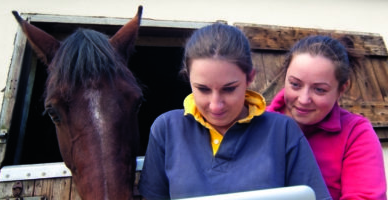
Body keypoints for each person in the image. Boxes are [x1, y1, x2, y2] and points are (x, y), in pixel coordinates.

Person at [138, 23, 332, 200]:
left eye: (229, 89)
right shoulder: (167, 129)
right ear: (188, 79)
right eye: (203, 89)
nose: (215, 105)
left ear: (250, 78)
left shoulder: (282, 131)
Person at [266, 35, 387, 200]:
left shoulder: (355, 134)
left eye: (320, 90)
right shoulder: (254, 123)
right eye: (295, 84)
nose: (303, 99)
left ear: (341, 89)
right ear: (284, 78)